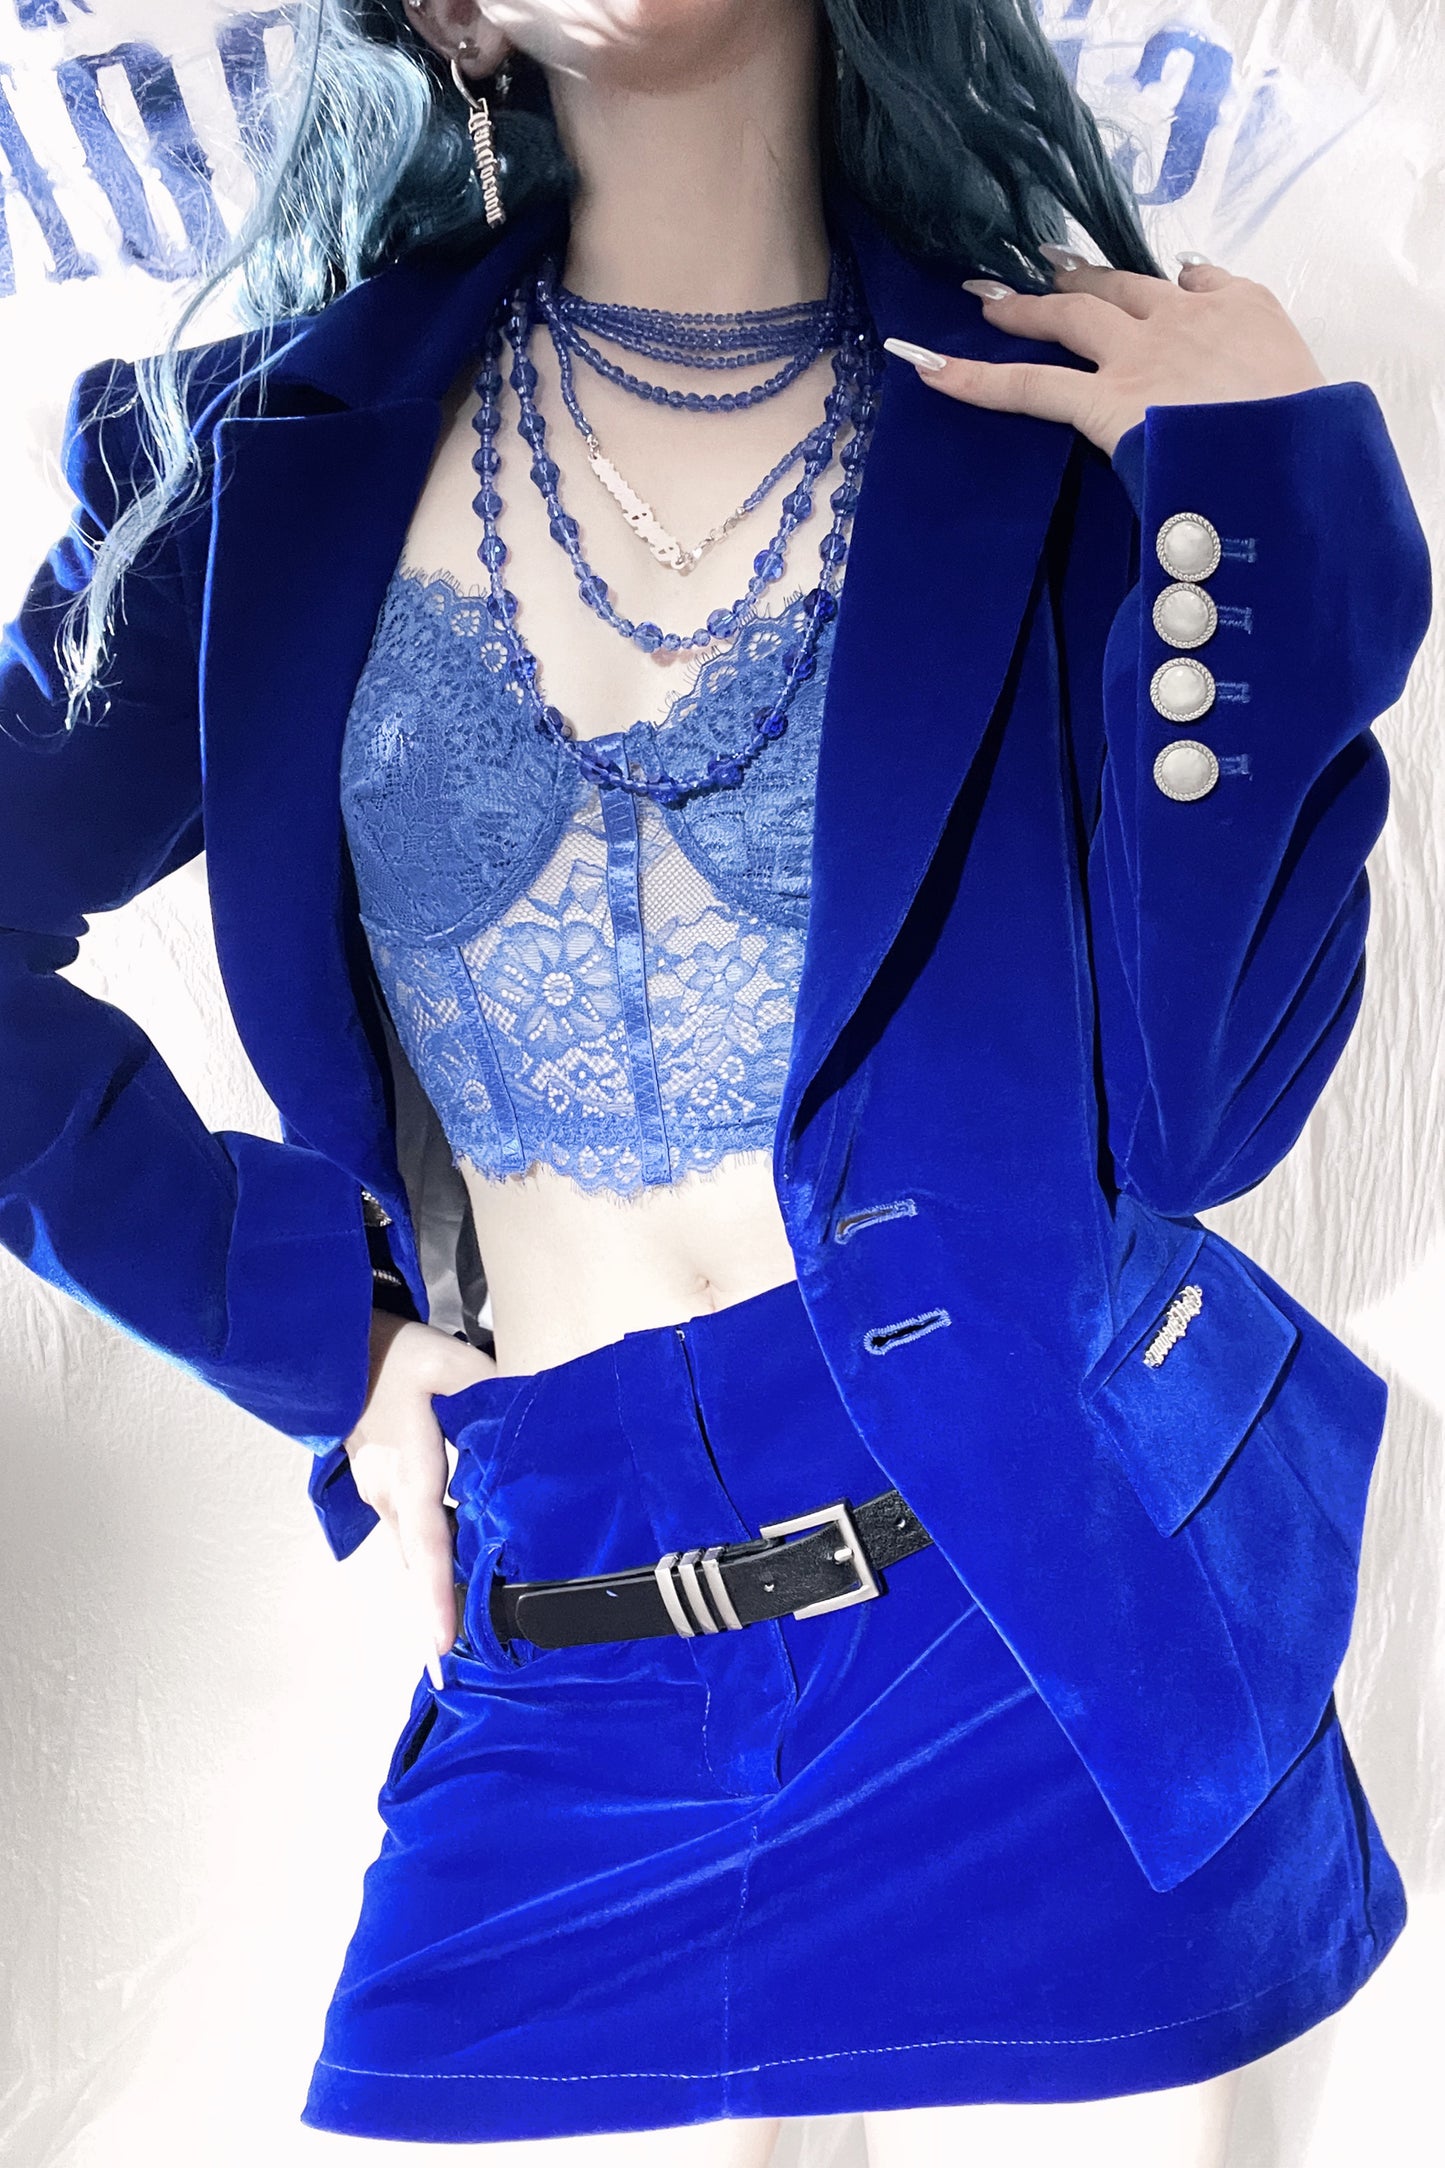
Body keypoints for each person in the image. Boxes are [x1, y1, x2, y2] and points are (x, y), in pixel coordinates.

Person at [0, 1, 1431, 2163]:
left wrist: (1252, 499)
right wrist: (323, 1337)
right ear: (446, 15)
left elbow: (1210, 1113)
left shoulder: (1061, 426)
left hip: (1049, 1636)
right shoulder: (243, 459)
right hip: (565, 1647)